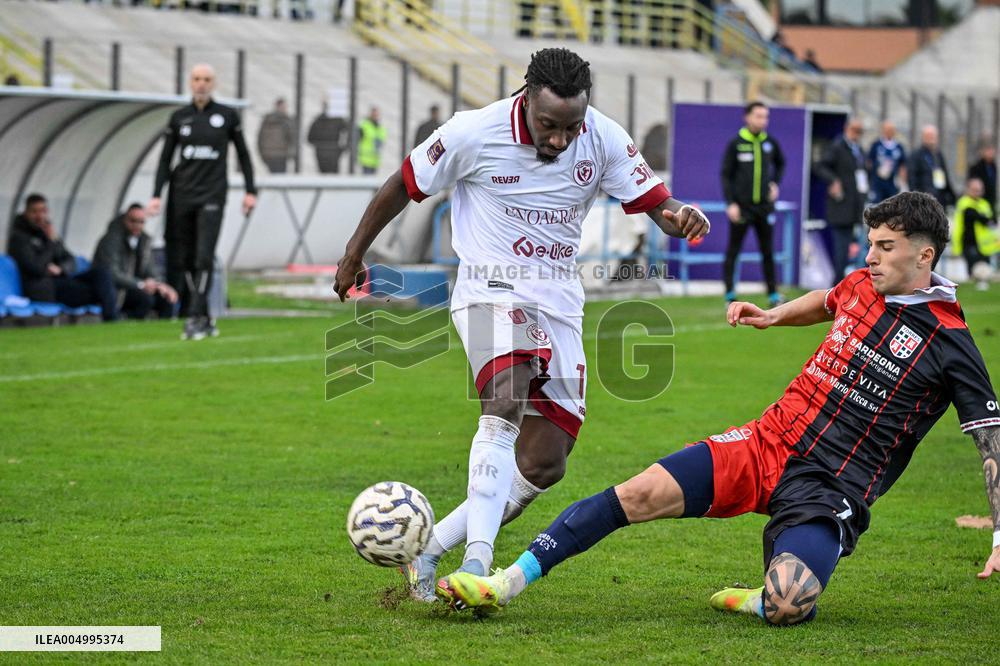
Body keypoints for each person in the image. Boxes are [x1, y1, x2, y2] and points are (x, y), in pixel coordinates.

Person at [441, 191, 1000, 625]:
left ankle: (760, 596)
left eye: (886, 247)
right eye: (871, 243)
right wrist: (774, 315)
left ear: (925, 255)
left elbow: (990, 441)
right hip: (767, 444)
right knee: (635, 494)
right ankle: (504, 582)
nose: (870, 256)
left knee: (790, 602)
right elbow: (825, 301)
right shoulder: (861, 285)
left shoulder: (950, 343)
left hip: (832, 489)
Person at [333, 48, 710, 603]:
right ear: (526, 97)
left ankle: (431, 549)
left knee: (544, 462)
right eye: (548, 125)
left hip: (558, 301)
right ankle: (478, 563)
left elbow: (656, 202)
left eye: (570, 127)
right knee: (504, 400)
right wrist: (353, 255)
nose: (559, 139)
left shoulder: (601, 136)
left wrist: (678, 217)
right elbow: (402, 184)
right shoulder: (472, 132)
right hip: (488, 288)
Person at [147, 63, 256, 341]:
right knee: (182, 259)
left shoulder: (227, 116)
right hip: (181, 196)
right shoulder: (179, 117)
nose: (201, 84)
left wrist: (250, 190)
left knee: (204, 256)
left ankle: (194, 316)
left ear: (214, 83)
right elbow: (164, 159)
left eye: (206, 79)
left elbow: (243, 155)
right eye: (196, 79)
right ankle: (204, 316)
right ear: (189, 82)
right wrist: (157, 195)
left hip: (212, 195)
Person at [7, 193, 118, 321]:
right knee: (97, 292)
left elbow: (70, 259)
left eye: (43, 211)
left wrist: (61, 269)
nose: (40, 216)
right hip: (45, 288)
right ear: (26, 212)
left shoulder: (46, 233)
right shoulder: (19, 238)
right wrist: (50, 243)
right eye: (34, 212)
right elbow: (35, 268)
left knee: (102, 273)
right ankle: (112, 318)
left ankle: (112, 316)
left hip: (61, 279)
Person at [720, 101, 786, 305]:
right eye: (758, 116)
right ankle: (730, 295)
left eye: (765, 116)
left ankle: (773, 295)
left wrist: (775, 183)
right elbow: (726, 174)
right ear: (747, 117)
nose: (762, 120)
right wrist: (731, 203)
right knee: (734, 250)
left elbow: (781, 163)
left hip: (764, 208)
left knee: (768, 252)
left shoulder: (770, 143)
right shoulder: (737, 143)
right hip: (742, 208)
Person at [92, 203, 178, 319]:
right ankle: (125, 327)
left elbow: (150, 269)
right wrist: (141, 284)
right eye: (133, 221)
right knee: (145, 299)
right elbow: (112, 274)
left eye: (141, 222)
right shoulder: (111, 241)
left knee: (166, 299)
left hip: (137, 287)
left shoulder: (144, 241)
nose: (137, 225)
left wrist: (161, 285)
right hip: (117, 291)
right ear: (124, 220)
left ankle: (163, 335)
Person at [814, 118, 869, 285]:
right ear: (847, 129)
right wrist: (833, 181)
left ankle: (855, 284)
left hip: (856, 207)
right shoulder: (837, 147)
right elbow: (820, 166)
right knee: (842, 248)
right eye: (854, 130)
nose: (856, 134)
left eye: (860, 131)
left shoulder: (858, 149)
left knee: (858, 249)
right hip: (840, 207)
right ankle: (837, 285)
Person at [953, 178, 998, 290]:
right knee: (974, 271)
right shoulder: (964, 203)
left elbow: (993, 220)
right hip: (969, 242)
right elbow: (978, 217)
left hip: (984, 245)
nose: (977, 192)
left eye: (979, 190)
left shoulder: (984, 204)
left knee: (985, 271)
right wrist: (987, 219)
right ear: (968, 189)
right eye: (974, 189)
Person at [908, 125, 956, 209]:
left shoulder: (938, 155)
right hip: (924, 199)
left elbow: (945, 175)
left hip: (940, 198)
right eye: (928, 136)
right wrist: (916, 197)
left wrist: (951, 196)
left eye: (933, 136)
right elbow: (912, 178)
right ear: (923, 137)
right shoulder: (917, 155)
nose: (931, 139)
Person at [867, 120, 907, 204]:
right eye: (887, 129)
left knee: (892, 206)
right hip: (878, 183)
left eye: (891, 129)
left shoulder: (899, 147)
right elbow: (869, 162)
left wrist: (902, 182)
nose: (889, 131)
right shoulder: (876, 145)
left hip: (893, 183)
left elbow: (902, 166)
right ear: (883, 130)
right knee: (877, 205)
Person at [308, 102, 349, 174]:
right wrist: (342, 148)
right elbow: (347, 131)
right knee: (333, 178)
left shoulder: (318, 120)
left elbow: (310, 138)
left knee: (324, 178)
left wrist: (319, 146)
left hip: (323, 154)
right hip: (333, 153)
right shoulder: (337, 120)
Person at [257, 97, 295, 174]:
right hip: (281, 155)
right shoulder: (286, 121)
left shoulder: (267, 120)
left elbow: (260, 139)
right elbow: (291, 138)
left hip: (269, 155)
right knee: (280, 179)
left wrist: (262, 154)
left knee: (274, 177)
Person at [967, 137, 997, 221]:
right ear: (983, 151)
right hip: (979, 202)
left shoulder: (993, 166)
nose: (990, 153)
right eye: (988, 150)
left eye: (991, 150)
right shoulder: (976, 167)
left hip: (990, 202)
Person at [357, 106, 386, 175]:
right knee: (367, 181)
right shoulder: (364, 126)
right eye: (374, 114)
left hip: (375, 159)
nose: (376, 116)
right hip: (366, 159)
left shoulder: (380, 128)